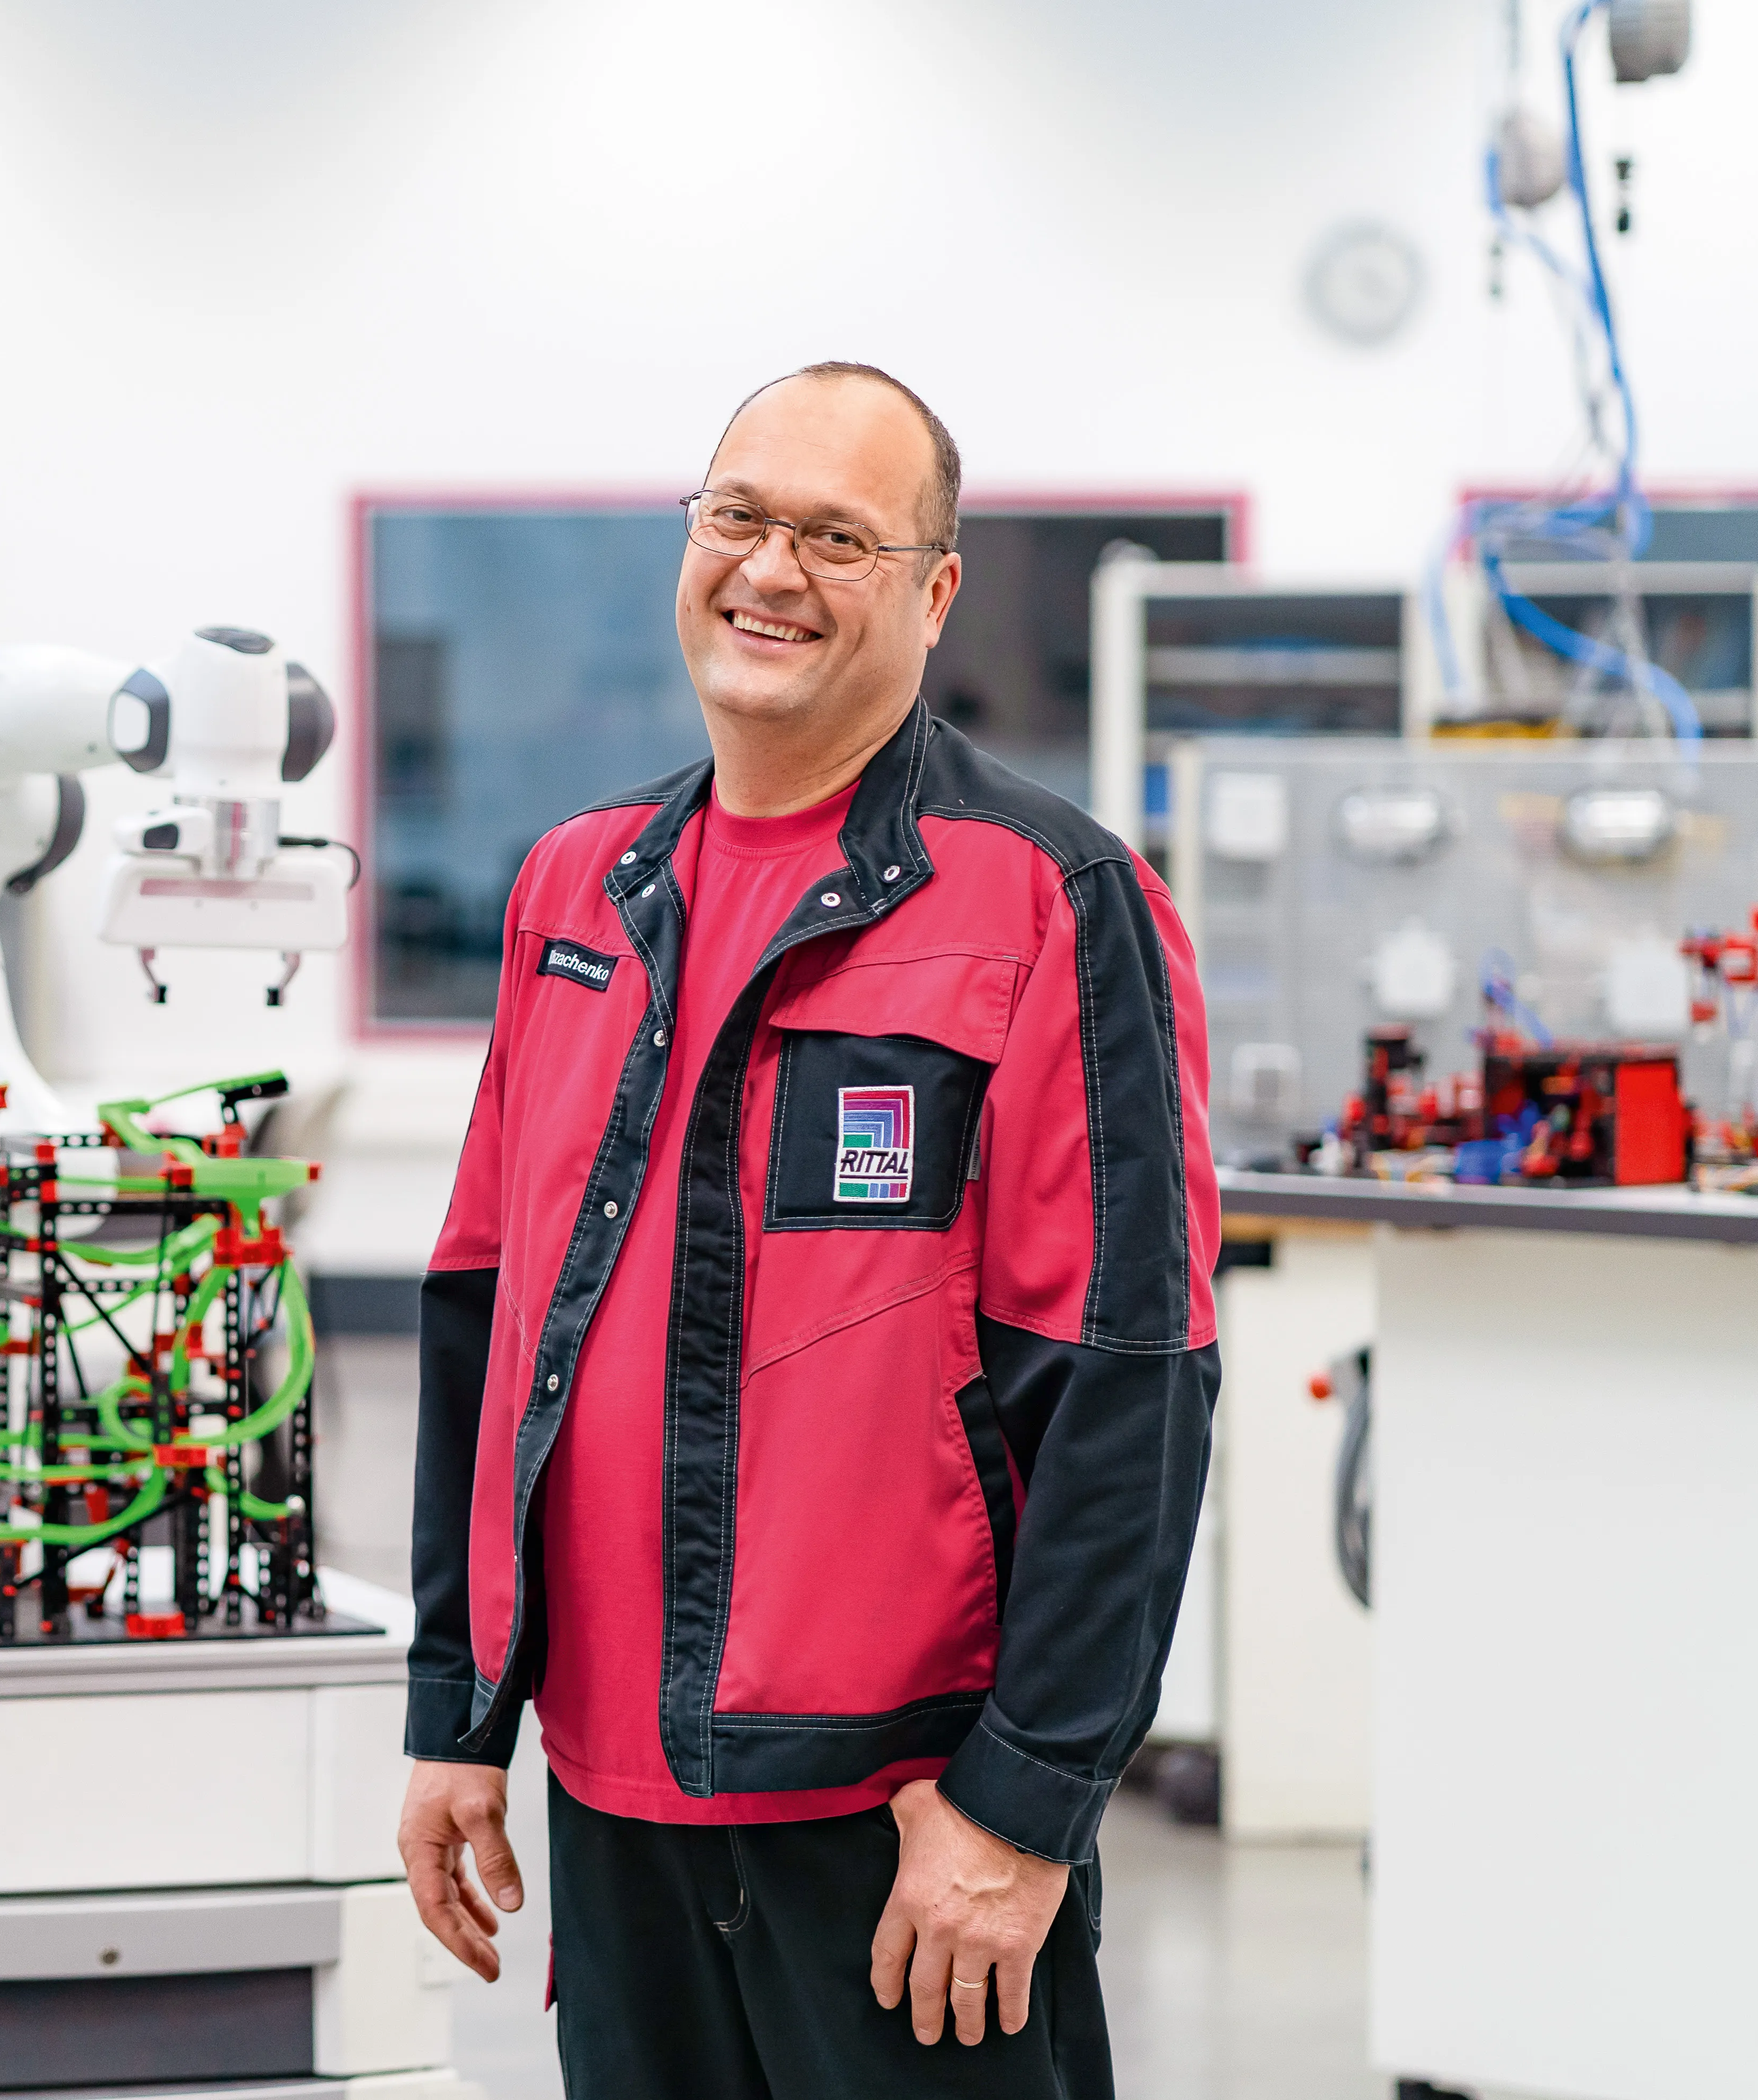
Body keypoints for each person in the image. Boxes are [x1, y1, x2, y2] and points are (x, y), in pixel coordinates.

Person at [396, 362, 1218, 2099]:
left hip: (904, 1820)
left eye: (838, 537)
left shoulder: (1048, 899)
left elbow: (1131, 1387)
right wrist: (458, 1710)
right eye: (739, 517)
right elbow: (489, 1317)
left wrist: (1022, 1806)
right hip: (612, 1799)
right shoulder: (576, 890)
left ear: (930, 593)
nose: (770, 570)